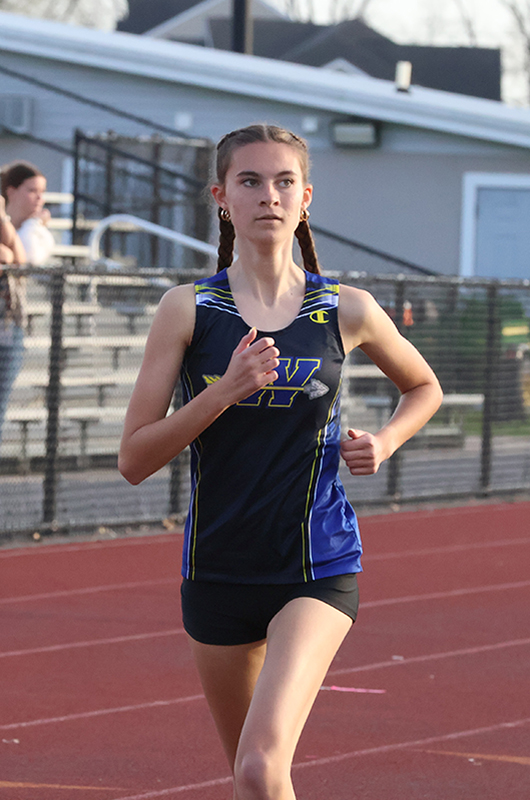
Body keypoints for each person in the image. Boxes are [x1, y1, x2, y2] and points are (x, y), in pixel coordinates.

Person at [119, 124, 443, 799]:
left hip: (316, 566)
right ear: (221, 197)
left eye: (283, 181)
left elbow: (423, 386)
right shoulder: (187, 310)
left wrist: (384, 442)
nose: (268, 195)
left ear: (305, 198)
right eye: (250, 180)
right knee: (253, 782)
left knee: (259, 767)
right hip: (217, 569)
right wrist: (225, 391)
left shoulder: (345, 309)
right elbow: (134, 458)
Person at [0, 162, 55, 444]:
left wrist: (29, 224)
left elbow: (23, 258)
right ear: (11, 191)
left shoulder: (36, 231)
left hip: (8, 328)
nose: (38, 198)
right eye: (31, 190)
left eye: (41, 192)